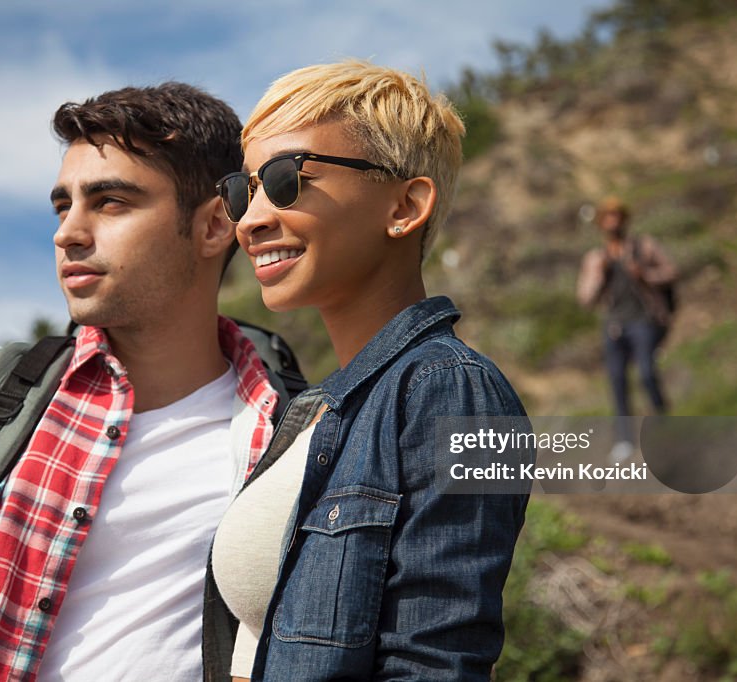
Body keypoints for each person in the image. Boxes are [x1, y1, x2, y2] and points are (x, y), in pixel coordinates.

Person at [0, 83, 282, 681]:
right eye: (63, 205)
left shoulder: (292, 431)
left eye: (111, 202)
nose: (68, 232)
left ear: (216, 225)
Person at [206, 60, 531, 681]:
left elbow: (437, 665)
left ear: (405, 206)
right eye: (242, 191)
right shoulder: (317, 411)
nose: (249, 220)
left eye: (286, 180)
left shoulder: (453, 392)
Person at [577, 196, 676, 461]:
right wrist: (599, 275)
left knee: (646, 372)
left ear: (625, 220)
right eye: (607, 218)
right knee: (617, 382)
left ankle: (663, 420)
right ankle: (625, 439)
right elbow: (585, 299)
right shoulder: (596, 258)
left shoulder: (644, 247)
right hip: (614, 326)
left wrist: (645, 274)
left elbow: (670, 272)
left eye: (617, 217)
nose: (612, 223)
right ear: (601, 223)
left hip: (644, 321)